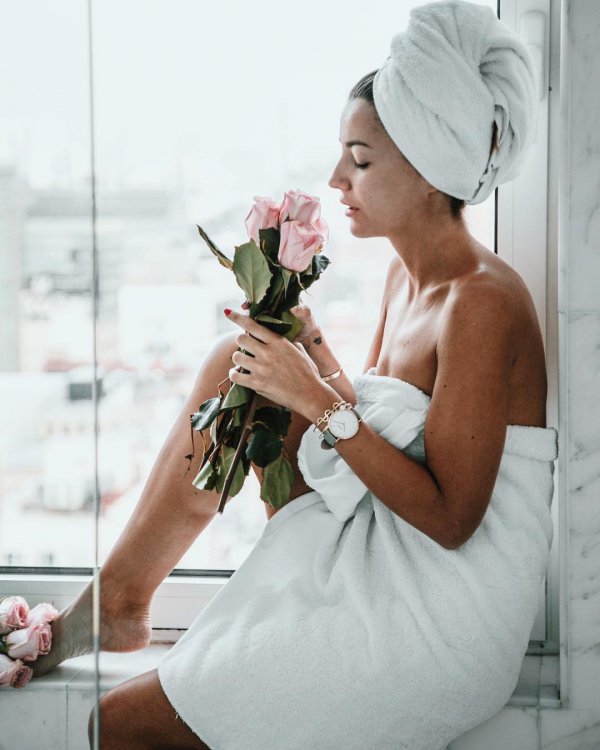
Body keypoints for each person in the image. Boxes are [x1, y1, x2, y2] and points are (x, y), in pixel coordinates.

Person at [31, 2, 558, 748]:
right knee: (237, 364)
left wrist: (313, 394)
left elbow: (452, 519)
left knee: (115, 728)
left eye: (362, 159)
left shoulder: (482, 303)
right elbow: (382, 421)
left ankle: (136, 609)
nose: (338, 178)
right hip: (387, 546)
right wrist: (314, 357)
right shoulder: (407, 282)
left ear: (430, 164)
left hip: (439, 616)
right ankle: (121, 599)